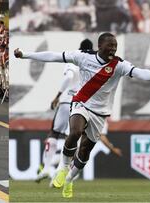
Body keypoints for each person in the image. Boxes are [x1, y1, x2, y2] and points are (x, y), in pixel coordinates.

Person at [14, 32, 150, 198]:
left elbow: (140, 72)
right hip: (81, 103)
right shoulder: (83, 57)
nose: (113, 49)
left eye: (115, 46)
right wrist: (24, 55)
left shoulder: (119, 65)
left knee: (84, 152)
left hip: (100, 113)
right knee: (74, 132)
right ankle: (63, 168)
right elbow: (53, 56)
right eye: (110, 46)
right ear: (100, 46)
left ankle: (68, 181)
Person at [35, 39, 122, 186]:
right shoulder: (93, 63)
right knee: (74, 138)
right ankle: (63, 173)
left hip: (67, 102)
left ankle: (47, 167)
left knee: (55, 133)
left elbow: (68, 77)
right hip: (84, 104)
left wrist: (57, 95)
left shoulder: (76, 60)